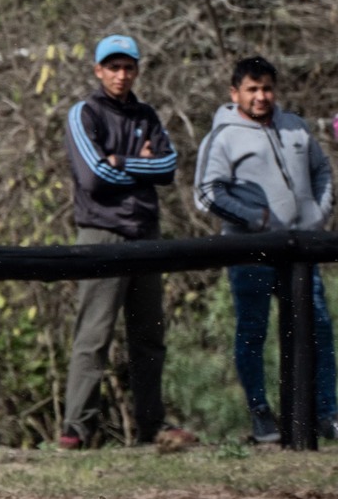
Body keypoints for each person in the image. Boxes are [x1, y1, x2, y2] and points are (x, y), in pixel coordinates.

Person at [57, 34, 198, 449]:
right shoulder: (84, 113)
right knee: (94, 335)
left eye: (128, 67)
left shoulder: (147, 114)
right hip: (102, 234)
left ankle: (152, 426)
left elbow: (169, 166)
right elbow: (94, 177)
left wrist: (123, 161)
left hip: (146, 233)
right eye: (113, 67)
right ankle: (77, 429)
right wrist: (142, 164)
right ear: (98, 70)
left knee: (150, 334)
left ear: (136, 70)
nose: (121, 74)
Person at [194, 55, 337, 443]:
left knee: (317, 330)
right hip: (249, 252)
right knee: (253, 332)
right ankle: (261, 414)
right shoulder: (222, 137)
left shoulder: (296, 127)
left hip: (301, 250)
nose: (261, 97)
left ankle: (327, 413)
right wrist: (255, 222)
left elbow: (322, 171)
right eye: (253, 89)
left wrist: (317, 215)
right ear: (235, 92)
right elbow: (206, 194)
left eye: (267, 88)